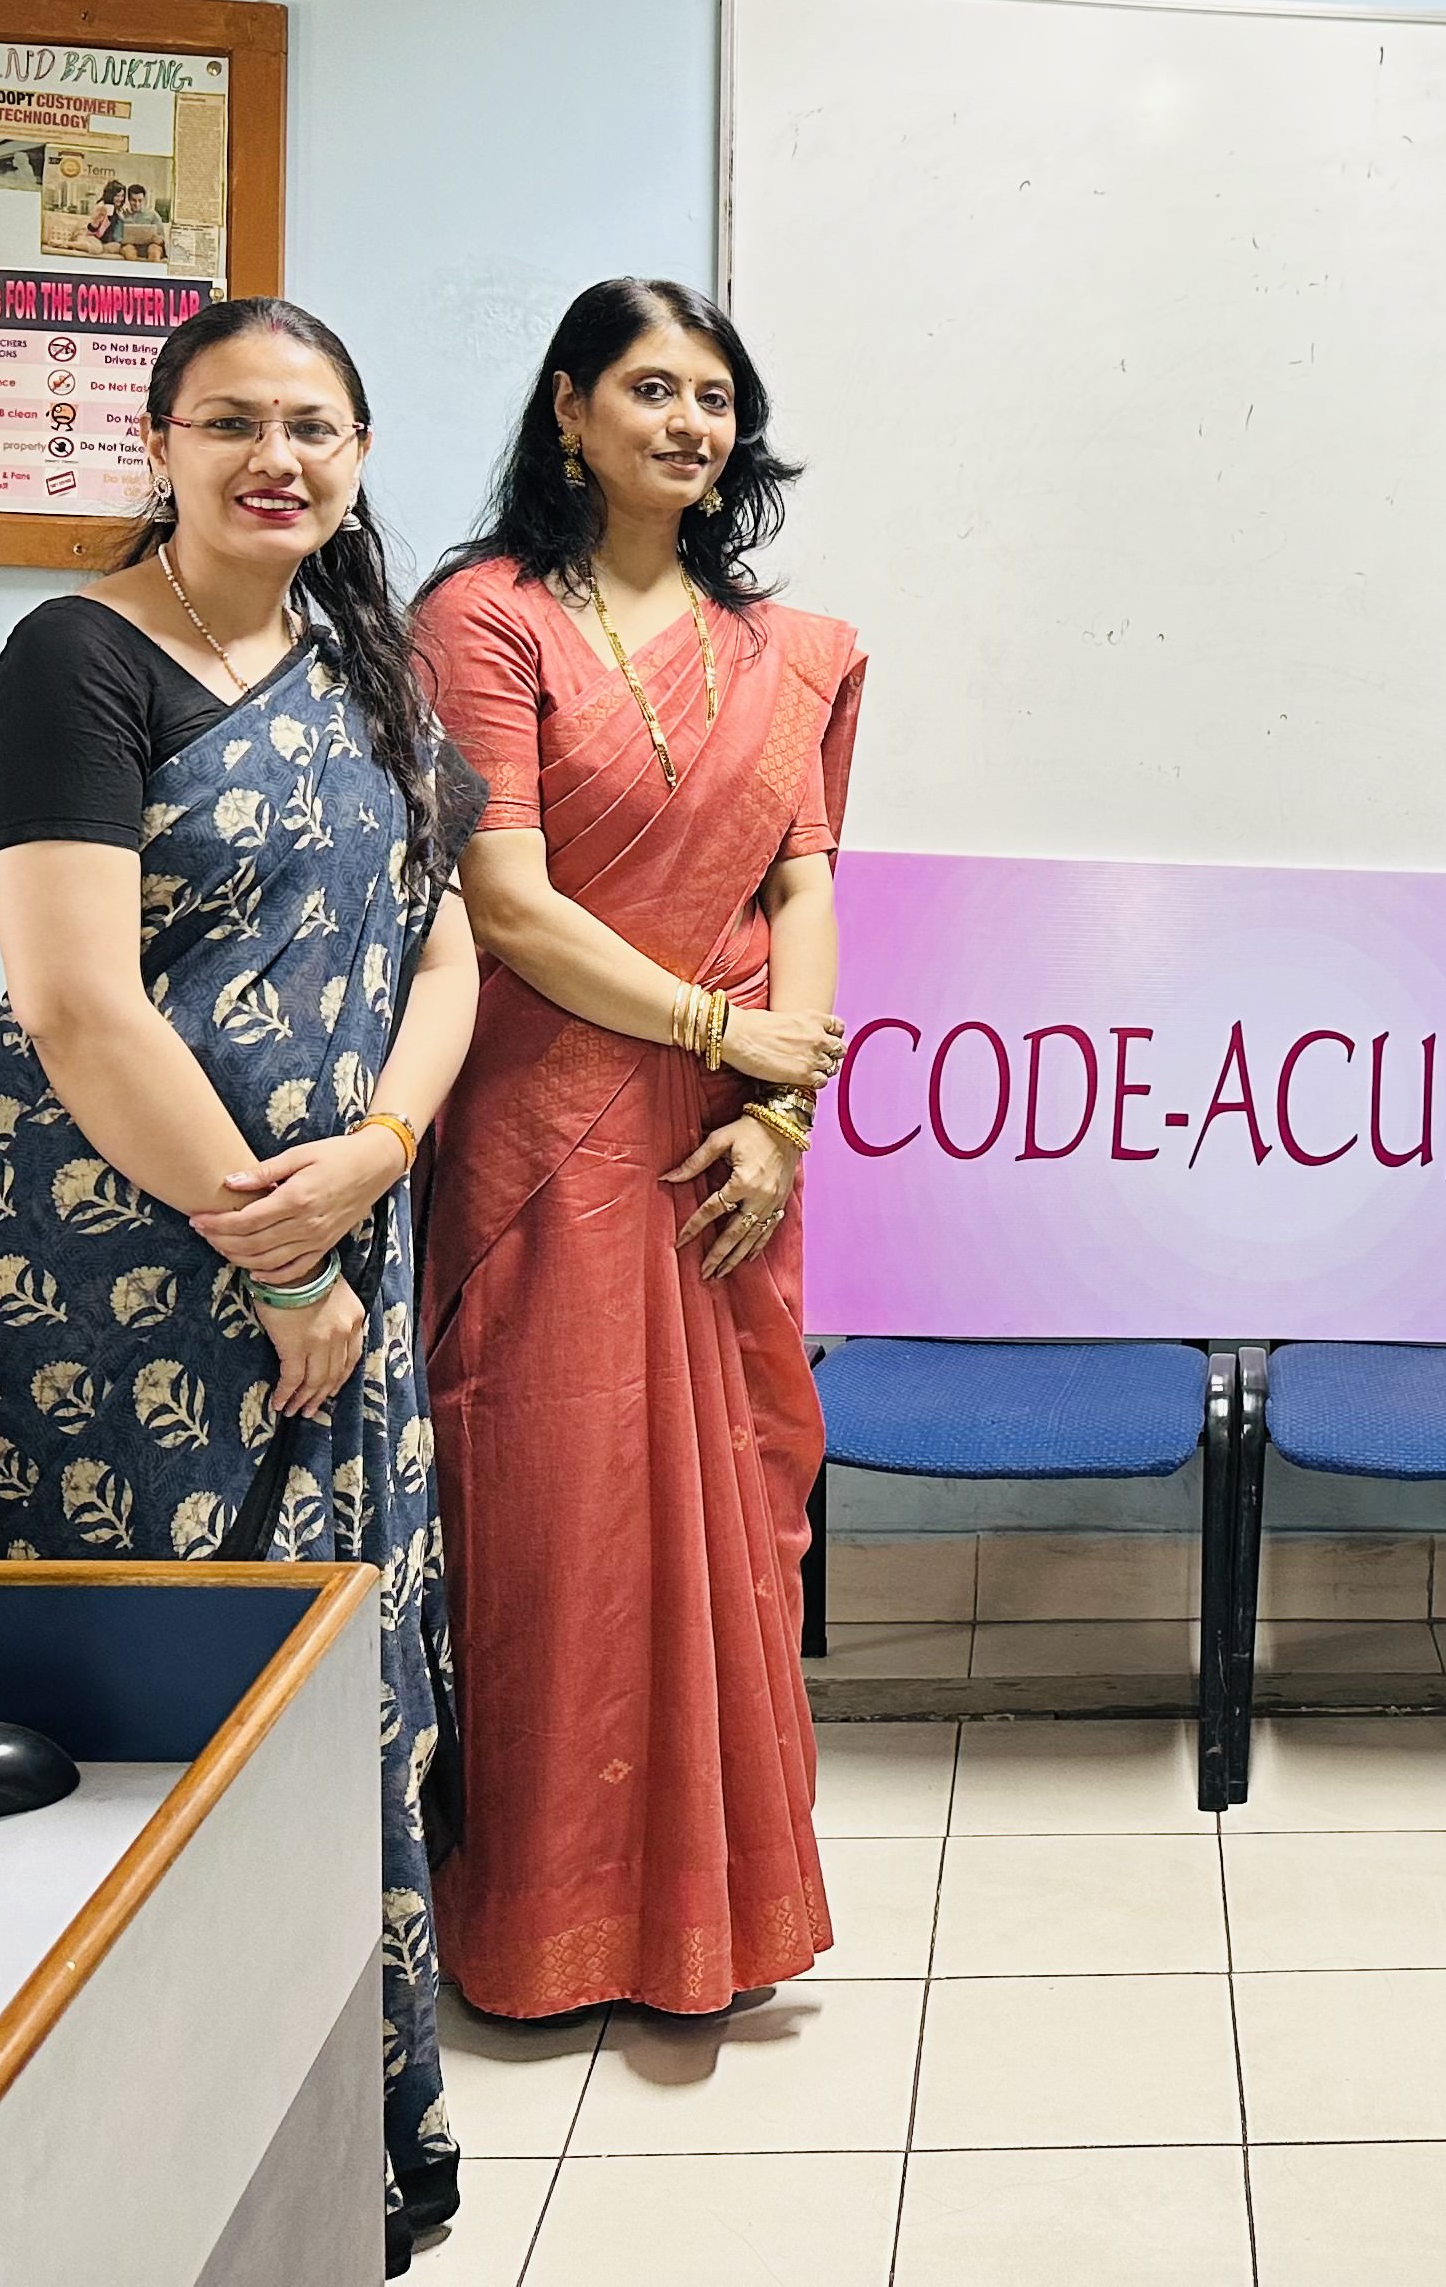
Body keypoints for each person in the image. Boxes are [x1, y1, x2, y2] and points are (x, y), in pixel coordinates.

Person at [0, 294, 477, 2273]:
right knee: (180, 1718)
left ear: (358, 455)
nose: (277, 459)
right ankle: (164, 2173)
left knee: (349, 1692)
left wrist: (384, 1149)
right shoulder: (74, 660)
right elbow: (79, 1005)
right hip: (130, 1273)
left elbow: (444, 946)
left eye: (314, 427)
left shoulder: (367, 656)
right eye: (232, 423)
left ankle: (361, 2140)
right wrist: (278, 1259)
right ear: (161, 448)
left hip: (346, 1240)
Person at [409, 276, 861, 2021]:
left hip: (730, 1142)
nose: (688, 422)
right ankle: (548, 1932)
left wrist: (782, 1113)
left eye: (715, 397)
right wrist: (722, 1037)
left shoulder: (775, 652)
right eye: (652, 388)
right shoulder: (486, 619)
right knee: (557, 1513)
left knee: (734, 1512)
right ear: (570, 407)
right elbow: (508, 903)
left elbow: (803, 882)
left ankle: (718, 1927)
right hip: (548, 1130)